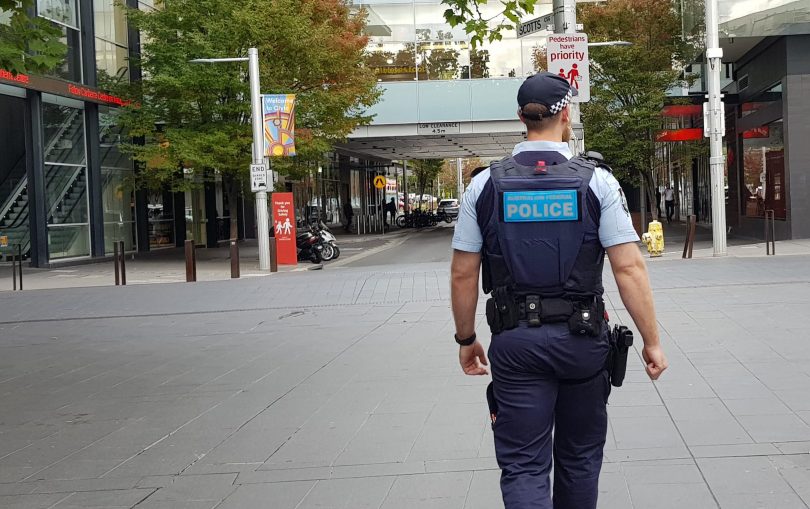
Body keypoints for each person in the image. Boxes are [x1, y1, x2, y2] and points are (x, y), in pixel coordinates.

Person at [450, 72, 668, 509]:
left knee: (524, 465)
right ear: (565, 115)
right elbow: (629, 268)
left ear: (520, 118)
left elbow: (462, 273)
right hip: (582, 342)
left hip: (515, 344)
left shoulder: (484, 185)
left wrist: (467, 339)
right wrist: (652, 341)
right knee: (580, 458)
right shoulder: (597, 182)